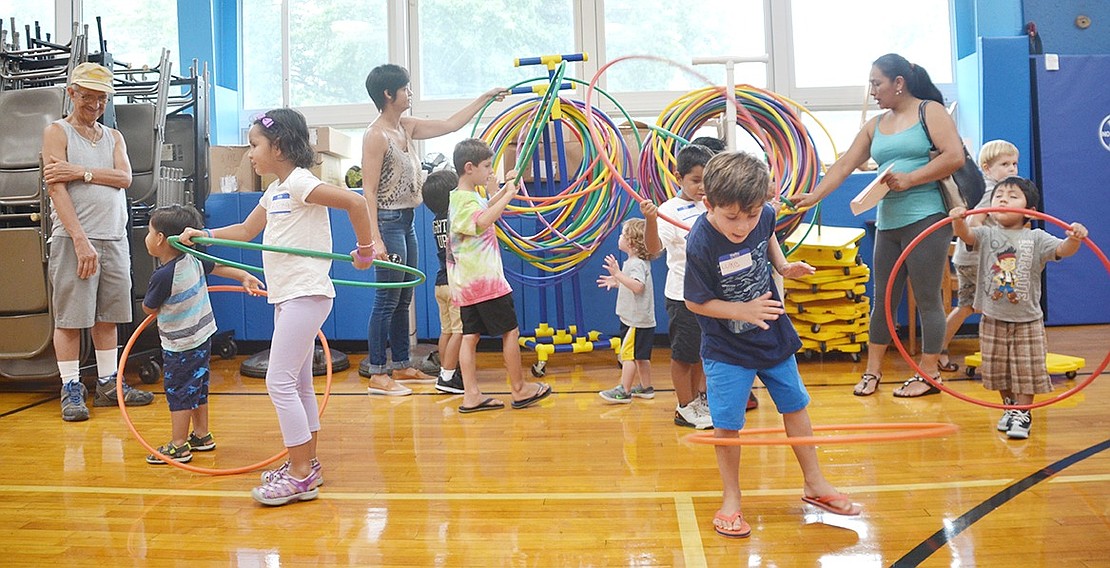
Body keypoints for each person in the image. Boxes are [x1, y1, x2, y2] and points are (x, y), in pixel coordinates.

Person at [179, 108, 375, 505]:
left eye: (255, 145)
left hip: (306, 292)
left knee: (278, 382)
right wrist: (206, 233)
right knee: (298, 384)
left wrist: (366, 251)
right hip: (287, 295)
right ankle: (308, 465)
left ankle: (300, 472)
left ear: (280, 147)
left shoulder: (301, 182)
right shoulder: (276, 189)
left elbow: (355, 204)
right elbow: (249, 231)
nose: (250, 154)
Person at [684, 151, 861, 538]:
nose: (743, 225)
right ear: (708, 204)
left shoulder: (762, 215)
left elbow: (766, 238)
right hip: (726, 346)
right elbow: (694, 301)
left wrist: (782, 267)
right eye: (732, 217)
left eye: (750, 214)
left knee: (795, 404)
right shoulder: (700, 241)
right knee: (728, 424)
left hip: (772, 333)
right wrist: (742, 310)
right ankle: (731, 498)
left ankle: (814, 484)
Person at [792, 53, 965, 398]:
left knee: (928, 297)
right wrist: (814, 196)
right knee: (882, 298)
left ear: (898, 83)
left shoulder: (930, 111)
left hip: (927, 217)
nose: (872, 91)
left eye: (876, 83)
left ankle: (930, 375)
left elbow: (954, 156)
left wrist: (912, 178)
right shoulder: (875, 125)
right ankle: (873, 373)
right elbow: (843, 166)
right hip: (889, 222)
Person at [360, 63, 507, 395]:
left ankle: (401, 365)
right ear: (388, 94)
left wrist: (484, 98)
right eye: (406, 88)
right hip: (387, 221)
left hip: (407, 221)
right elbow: (367, 190)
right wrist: (374, 239)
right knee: (386, 298)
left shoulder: (406, 127)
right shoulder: (375, 135)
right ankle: (378, 374)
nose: (410, 93)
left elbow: (450, 123)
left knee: (403, 298)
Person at [42, 62, 155, 422]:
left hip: (114, 238)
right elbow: (56, 188)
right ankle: (71, 388)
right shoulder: (56, 133)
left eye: (101, 99)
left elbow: (125, 178)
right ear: (71, 93)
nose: (94, 105)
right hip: (75, 239)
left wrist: (81, 171)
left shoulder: (114, 138)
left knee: (108, 317)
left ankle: (108, 385)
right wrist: (79, 239)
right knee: (72, 319)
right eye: (87, 97)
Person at [949, 177, 1086, 439]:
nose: (1002, 199)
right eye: (999, 195)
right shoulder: (986, 234)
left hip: (1027, 319)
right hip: (992, 317)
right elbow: (965, 234)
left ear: (1030, 212)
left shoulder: (1036, 237)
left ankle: (1023, 411)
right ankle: (1010, 407)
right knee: (998, 369)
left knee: (1027, 368)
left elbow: (1062, 249)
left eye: (1012, 196)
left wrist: (1075, 238)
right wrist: (958, 219)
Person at [141, 205, 263, 464]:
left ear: (161, 238)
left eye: (150, 232)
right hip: (203, 336)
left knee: (179, 391)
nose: (148, 237)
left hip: (180, 343)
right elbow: (218, 266)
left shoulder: (163, 275)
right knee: (197, 385)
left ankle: (178, 446)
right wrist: (242, 274)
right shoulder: (192, 258)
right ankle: (201, 435)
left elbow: (149, 308)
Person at [448, 138, 552, 414]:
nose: (489, 171)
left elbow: (483, 208)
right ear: (469, 168)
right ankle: (519, 389)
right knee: (510, 331)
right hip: (485, 282)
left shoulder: (464, 197)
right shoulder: (463, 199)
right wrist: (506, 196)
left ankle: (472, 395)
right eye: (486, 166)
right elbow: (482, 221)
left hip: (468, 283)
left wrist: (505, 190)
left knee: (471, 335)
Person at [641, 144, 714, 428]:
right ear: (678, 176)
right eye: (695, 180)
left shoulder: (713, 204)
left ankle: (697, 399)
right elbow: (653, 249)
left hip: (710, 297)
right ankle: (684, 407)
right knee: (684, 355)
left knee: (701, 352)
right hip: (683, 297)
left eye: (707, 180)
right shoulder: (668, 210)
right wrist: (650, 220)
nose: (702, 187)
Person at [937, 140, 1019, 372]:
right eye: (1005, 164)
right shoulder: (989, 190)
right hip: (977, 260)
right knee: (975, 306)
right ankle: (938, 349)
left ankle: (938, 348)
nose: (1012, 169)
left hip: (984, 260)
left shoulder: (1000, 189)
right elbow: (973, 223)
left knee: (969, 306)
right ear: (986, 168)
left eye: (1014, 163)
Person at [597, 218, 657, 404]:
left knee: (628, 355)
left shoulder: (635, 263)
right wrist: (616, 282)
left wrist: (617, 274)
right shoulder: (637, 262)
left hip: (634, 321)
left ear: (631, 242)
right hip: (642, 320)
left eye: (623, 235)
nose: (620, 237)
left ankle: (624, 390)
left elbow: (638, 286)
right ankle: (646, 387)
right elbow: (634, 286)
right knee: (641, 356)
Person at [421, 169, 466, 394]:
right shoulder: (457, 215)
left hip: (440, 283)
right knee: (459, 330)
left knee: (446, 330)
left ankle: (444, 369)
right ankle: (448, 375)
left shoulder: (436, 219)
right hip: (455, 282)